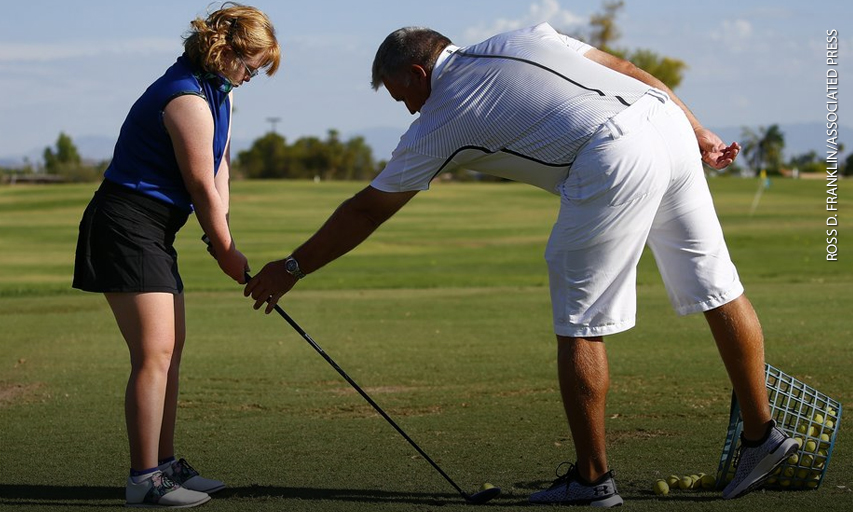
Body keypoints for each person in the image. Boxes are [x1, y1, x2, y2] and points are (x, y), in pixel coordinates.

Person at [243, 23, 797, 507]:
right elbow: (631, 70)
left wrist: (291, 268)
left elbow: (367, 209)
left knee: (579, 318)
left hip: (613, 153)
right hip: (666, 122)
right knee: (716, 285)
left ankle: (592, 478)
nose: (408, 110)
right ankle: (762, 438)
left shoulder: (441, 115)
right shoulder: (524, 36)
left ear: (417, 72)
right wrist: (696, 128)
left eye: (401, 97)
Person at [72, 3, 280, 508]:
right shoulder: (185, 98)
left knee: (172, 349)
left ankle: (165, 465)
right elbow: (200, 188)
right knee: (154, 353)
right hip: (125, 225)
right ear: (225, 50)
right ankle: (144, 478)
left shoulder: (219, 94)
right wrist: (226, 250)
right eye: (250, 65)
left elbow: (220, 171)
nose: (252, 76)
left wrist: (221, 239)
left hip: (154, 230)